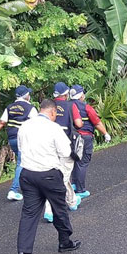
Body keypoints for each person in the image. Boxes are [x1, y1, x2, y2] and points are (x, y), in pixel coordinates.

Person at [15, 99, 82, 254]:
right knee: (59, 208)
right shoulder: (54, 128)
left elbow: (21, 149)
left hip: (27, 174)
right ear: (53, 112)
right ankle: (64, 241)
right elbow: (66, 152)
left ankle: (23, 253)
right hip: (49, 175)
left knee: (29, 213)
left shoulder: (24, 126)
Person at [0, 85, 38, 201]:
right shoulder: (30, 108)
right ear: (26, 96)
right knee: (22, 163)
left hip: (12, 138)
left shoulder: (10, 107)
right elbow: (37, 124)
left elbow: (2, 122)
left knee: (26, 161)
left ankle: (29, 186)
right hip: (24, 139)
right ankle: (13, 190)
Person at [46, 82, 82, 221]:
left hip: (49, 147)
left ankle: (72, 201)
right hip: (66, 146)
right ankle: (49, 210)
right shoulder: (70, 105)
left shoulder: (48, 106)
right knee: (62, 177)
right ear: (66, 94)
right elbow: (78, 124)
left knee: (62, 175)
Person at [69, 84, 111, 198]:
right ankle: (80, 189)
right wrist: (105, 134)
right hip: (84, 138)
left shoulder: (66, 106)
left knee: (74, 161)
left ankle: (73, 184)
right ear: (81, 95)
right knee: (82, 162)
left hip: (69, 138)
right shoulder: (86, 107)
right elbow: (97, 122)